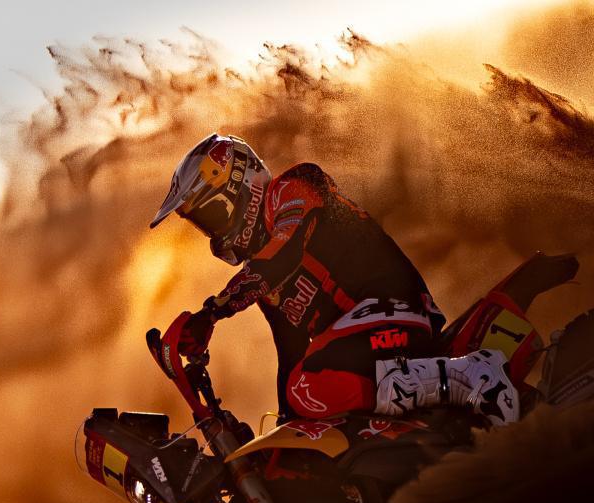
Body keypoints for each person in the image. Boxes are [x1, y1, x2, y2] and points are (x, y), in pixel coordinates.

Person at [149, 133, 519, 425]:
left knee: (308, 385)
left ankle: (472, 375)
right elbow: (291, 354)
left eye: (211, 215)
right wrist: (285, 433)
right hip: (363, 343)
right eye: (203, 224)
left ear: (240, 186)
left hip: (396, 311)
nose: (211, 231)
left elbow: (284, 254)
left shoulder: (294, 186)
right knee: (303, 395)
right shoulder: (262, 277)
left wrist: (212, 312)